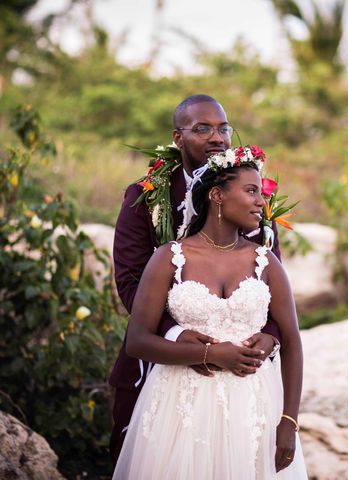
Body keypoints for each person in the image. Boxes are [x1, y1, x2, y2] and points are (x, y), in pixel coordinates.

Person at [109, 95, 282, 463]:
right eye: (202, 128)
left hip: (242, 375)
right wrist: (177, 335)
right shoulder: (145, 197)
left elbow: (273, 286)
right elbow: (129, 281)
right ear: (178, 137)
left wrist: (271, 337)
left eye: (223, 128)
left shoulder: (250, 199)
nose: (217, 137)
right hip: (161, 363)